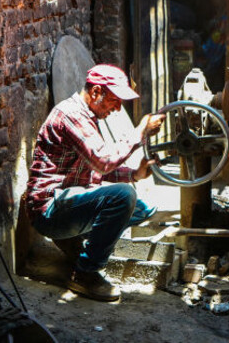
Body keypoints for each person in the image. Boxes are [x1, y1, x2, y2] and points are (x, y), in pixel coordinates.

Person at [26, 64, 166, 301]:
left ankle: (75, 242)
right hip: (48, 210)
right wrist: (140, 131)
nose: (118, 108)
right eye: (114, 100)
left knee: (143, 208)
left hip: (69, 203)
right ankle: (85, 273)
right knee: (124, 197)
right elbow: (103, 162)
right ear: (95, 92)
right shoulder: (70, 115)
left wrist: (134, 174)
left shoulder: (88, 117)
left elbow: (95, 169)